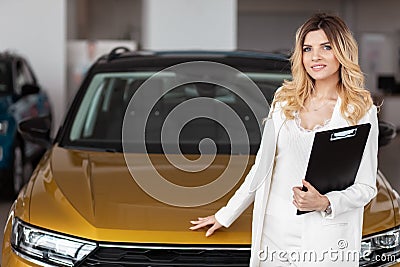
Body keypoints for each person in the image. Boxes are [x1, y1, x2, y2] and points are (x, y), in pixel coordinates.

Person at [190, 13, 378, 267]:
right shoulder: (284, 100)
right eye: (307, 49)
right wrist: (226, 215)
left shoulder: (359, 109)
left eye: (326, 47)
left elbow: (366, 187)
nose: (315, 57)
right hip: (275, 233)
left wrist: (325, 202)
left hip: (325, 236)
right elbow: (262, 166)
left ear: (342, 52)